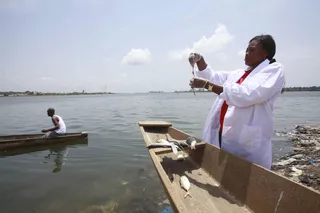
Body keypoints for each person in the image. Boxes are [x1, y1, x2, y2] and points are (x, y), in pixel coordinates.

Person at [188, 34, 285, 169]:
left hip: (247, 142)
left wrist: (207, 86)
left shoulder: (274, 70)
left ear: (265, 53)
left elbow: (247, 94)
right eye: (246, 49)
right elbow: (213, 77)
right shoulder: (238, 74)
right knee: (227, 172)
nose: (246, 53)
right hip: (224, 133)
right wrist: (200, 60)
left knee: (247, 176)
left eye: (251, 50)